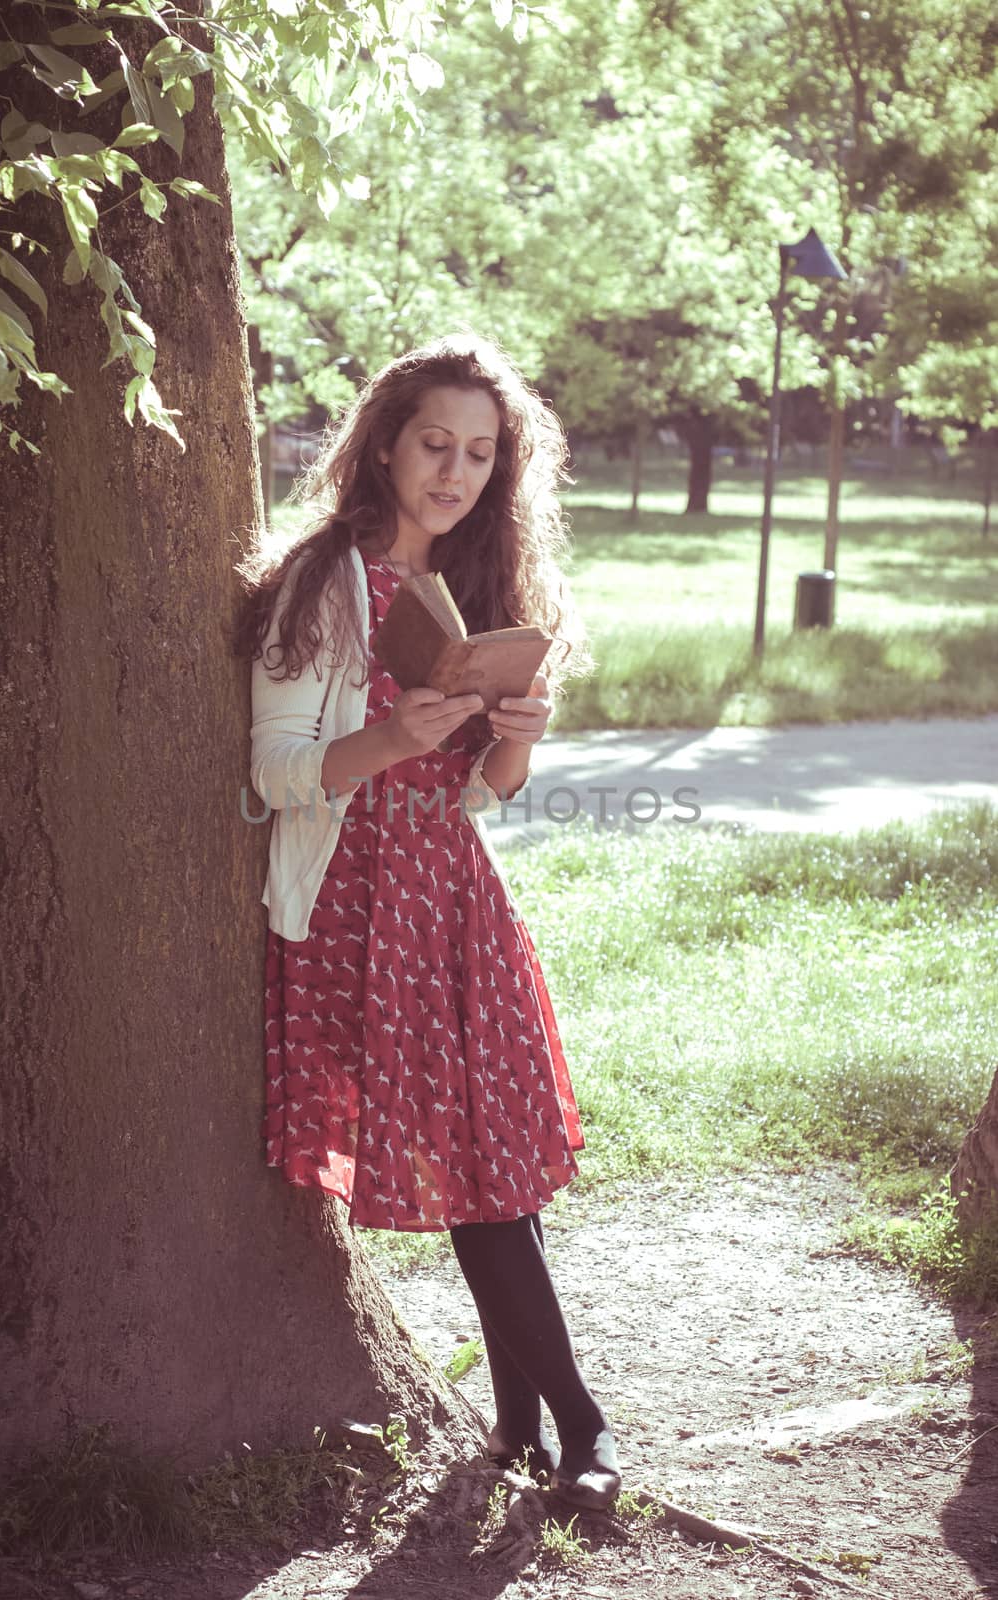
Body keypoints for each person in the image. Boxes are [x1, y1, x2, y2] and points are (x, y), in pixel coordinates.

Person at [234, 333, 621, 1512]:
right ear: (386, 447)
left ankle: (517, 1416)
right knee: (482, 1172)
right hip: (361, 903)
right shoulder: (325, 582)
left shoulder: (484, 588)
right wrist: (394, 735)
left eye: (479, 453)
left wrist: (518, 726)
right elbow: (275, 771)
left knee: (494, 1158)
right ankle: (586, 1427)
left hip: (454, 892)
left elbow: (488, 791)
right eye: (434, 445)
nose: (454, 472)